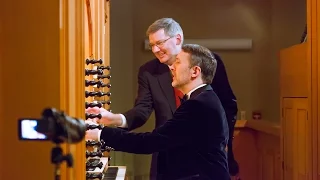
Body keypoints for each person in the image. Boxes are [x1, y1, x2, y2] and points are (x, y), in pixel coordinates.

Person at [86, 18, 239, 177]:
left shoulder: (199, 101)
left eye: (160, 43)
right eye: (152, 45)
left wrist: (100, 133)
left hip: (197, 168)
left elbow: (148, 142)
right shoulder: (202, 96)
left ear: (195, 71)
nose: (156, 49)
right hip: (170, 161)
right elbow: (142, 110)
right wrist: (114, 119)